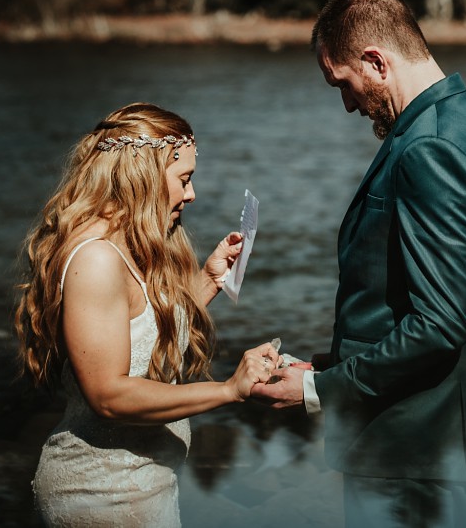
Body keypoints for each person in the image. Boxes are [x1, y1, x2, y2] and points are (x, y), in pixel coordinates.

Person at [250, 0, 466, 528]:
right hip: (435, 447)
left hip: (414, 452)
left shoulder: (430, 148)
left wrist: (319, 390)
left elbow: (440, 324)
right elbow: (412, 299)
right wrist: (329, 363)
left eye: (342, 84)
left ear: (375, 61)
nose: (347, 104)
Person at [14, 102, 280, 527]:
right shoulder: (96, 260)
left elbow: (139, 330)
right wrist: (230, 390)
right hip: (102, 498)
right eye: (184, 179)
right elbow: (109, 396)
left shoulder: (120, 244)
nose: (191, 194)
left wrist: (208, 280)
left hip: (142, 487)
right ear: (145, 174)